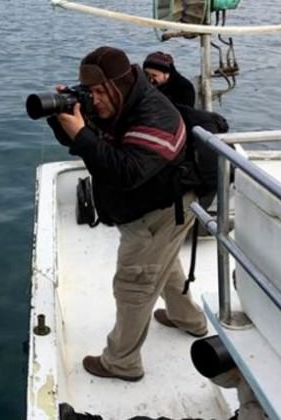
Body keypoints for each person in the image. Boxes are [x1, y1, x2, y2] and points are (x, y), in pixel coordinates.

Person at [46, 46, 208, 382]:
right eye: (87, 91)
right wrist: (62, 117)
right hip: (150, 210)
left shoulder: (156, 117)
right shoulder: (117, 102)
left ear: (118, 85)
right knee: (165, 265)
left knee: (134, 285)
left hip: (157, 213)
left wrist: (82, 133)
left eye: (98, 92)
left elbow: (125, 173)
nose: (94, 100)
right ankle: (189, 319)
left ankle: (122, 363)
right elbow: (79, 145)